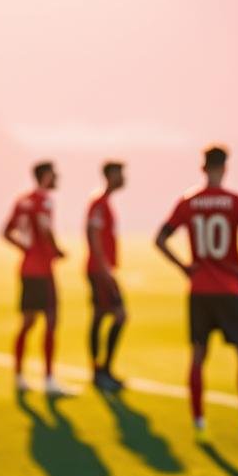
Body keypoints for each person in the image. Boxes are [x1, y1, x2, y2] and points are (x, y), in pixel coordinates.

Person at [155, 145, 238, 446]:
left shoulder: (188, 201)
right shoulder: (236, 202)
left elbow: (161, 238)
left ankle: (199, 424)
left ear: (203, 167)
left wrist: (185, 267)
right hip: (230, 288)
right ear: (225, 167)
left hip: (199, 290)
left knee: (198, 356)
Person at [3, 161, 69, 397]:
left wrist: (26, 249)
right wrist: (56, 249)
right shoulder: (44, 200)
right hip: (43, 271)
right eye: (54, 174)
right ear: (45, 176)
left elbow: (6, 232)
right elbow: (44, 228)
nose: (57, 177)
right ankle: (49, 378)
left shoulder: (23, 200)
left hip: (26, 269)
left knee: (27, 323)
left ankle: (19, 375)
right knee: (51, 321)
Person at [86, 161, 127, 394]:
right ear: (111, 175)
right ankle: (102, 371)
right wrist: (104, 269)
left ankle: (102, 371)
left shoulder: (104, 203)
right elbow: (93, 234)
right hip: (100, 271)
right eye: (121, 173)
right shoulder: (99, 203)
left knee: (101, 316)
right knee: (118, 316)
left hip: (101, 269)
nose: (124, 178)